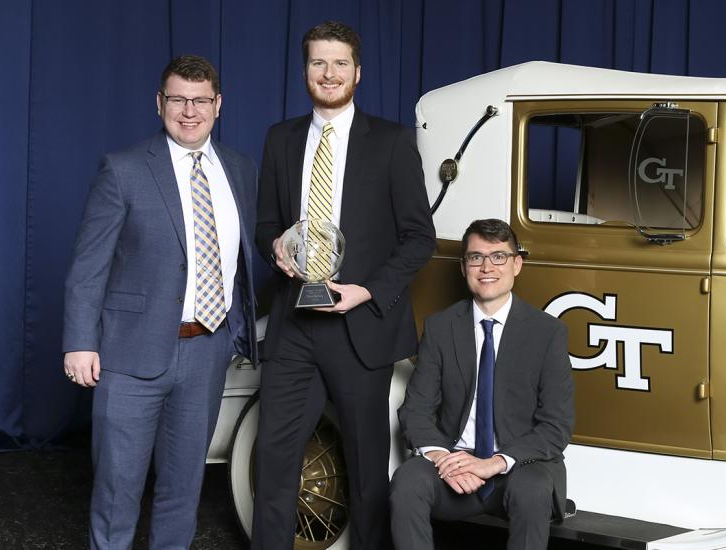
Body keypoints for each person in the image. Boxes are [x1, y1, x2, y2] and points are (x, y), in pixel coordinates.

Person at [251, 20, 436, 550]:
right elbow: (267, 224)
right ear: (304, 71)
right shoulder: (280, 138)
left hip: (361, 327)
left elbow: (419, 238)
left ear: (358, 72)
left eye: (338, 63)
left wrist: (369, 291)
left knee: (366, 468)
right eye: (317, 63)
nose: (327, 73)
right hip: (294, 326)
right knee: (275, 463)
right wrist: (277, 250)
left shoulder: (394, 142)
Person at [62, 55, 258, 549]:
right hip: (130, 355)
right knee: (117, 489)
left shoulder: (239, 169)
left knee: (183, 487)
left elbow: (245, 258)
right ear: (159, 104)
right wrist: (80, 343)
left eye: (199, 100)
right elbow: (89, 265)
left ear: (218, 104)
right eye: (177, 99)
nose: (188, 111)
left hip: (207, 352)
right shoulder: (124, 169)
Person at [391, 218, 575, 550]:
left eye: (498, 257)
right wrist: (444, 459)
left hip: (517, 469)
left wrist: (493, 463)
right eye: (476, 257)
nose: (487, 266)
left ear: (516, 264)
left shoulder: (547, 333)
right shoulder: (440, 327)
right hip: (455, 465)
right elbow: (416, 410)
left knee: (532, 490)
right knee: (407, 481)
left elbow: (556, 426)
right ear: (463, 268)